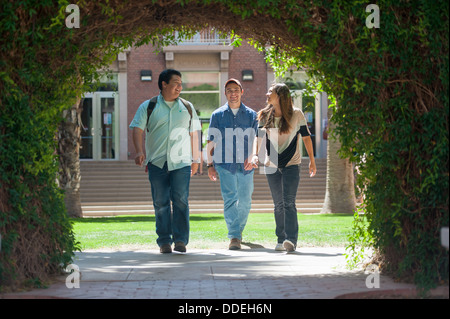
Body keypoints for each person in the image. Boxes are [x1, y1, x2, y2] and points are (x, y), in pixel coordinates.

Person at [129, 69, 201, 254]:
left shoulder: (187, 107)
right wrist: (139, 151)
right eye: (176, 83)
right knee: (160, 203)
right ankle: (164, 242)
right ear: (164, 84)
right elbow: (137, 129)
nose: (180, 87)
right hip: (157, 163)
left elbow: (194, 134)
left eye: (181, 83)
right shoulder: (149, 106)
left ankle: (181, 241)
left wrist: (196, 159)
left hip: (182, 162)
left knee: (181, 201)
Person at [251, 83, 316, 252]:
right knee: (278, 204)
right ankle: (281, 239)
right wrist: (254, 154)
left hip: (292, 163)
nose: (267, 94)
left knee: (289, 202)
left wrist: (312, 160)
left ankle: (291, 239)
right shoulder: (265, 115)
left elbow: (306, 138)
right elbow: (258, 138)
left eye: (270, 92)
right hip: (271, 161)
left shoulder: (296, 114)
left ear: (280, 96)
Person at [207, 78, 258, 250]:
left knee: (245, 201)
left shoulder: (252, 115)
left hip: (246, 165)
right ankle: (234, 236)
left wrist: (253, 155)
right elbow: (211, 141)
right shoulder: (217, 115)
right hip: (224, 164)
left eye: (236, 90)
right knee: (230, 199)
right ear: (225, 93)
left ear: (242, 92)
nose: (233, 93)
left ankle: (238, 230)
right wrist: (210, 165)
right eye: (229, 90)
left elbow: (257, 138)